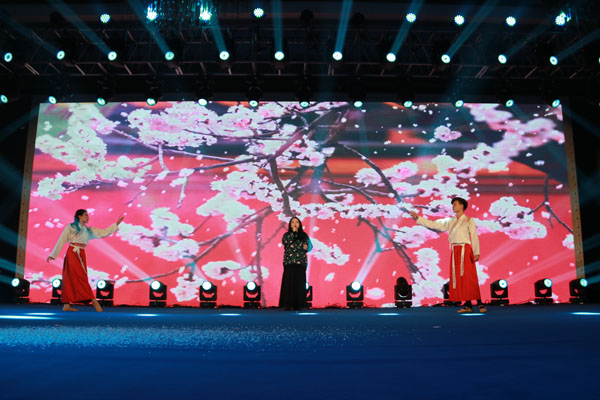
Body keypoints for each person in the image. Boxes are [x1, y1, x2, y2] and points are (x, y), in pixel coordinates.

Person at [409, 197, 486, 313]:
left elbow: (474, 236)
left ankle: (479, 303)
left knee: (469, 277)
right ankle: (468, 305)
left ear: (462, 206)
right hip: (455, 250)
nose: (453, 206)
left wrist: (476, 252)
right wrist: (418, 218)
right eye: (453, 204)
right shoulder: (450, 221)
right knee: (459, 278)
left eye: (455, 204)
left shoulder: (468, 220)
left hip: (465, 249)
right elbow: (435, 224)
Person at [46, 209, 124, 312]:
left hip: (81, 253)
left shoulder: (88, 230)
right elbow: (62, 239)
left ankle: (66, 304)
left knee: (76, 277)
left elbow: (103, 232)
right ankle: (93, 301)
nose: (88, 217)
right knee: (75, 277)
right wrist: (53, 255)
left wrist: (116, 224)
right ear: (79, 216)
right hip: (73, 253)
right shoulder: (71, 227)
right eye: (85, 215)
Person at [279, 217, 312, 310]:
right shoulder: (286, 235)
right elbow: (287, 243)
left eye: (297, 222)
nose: (295, 224)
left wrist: (302, 246)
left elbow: (308, 247)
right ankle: (287, 304)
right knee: (288, 284)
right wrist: (296, 238)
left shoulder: (304, 235)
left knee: (300, 284)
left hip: (300, 262)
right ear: (290, 224)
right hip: (289, 262)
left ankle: (300, 304)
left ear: (300, 224)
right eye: (293, 222)